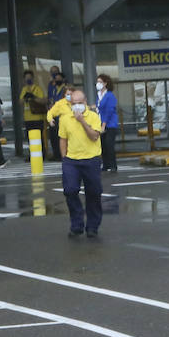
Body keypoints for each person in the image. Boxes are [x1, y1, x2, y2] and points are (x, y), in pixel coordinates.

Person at [49, 87, 104, 237]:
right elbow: (63, 139)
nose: (77, 106)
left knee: (93, 193)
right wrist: (64, 158)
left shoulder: (93, 116)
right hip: (71, 161)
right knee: (70, 190)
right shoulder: (65, 119)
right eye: (74, 103)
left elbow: (94, 136)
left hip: (91, 159)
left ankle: (92, 226)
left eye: (79, 102)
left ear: (85, 102)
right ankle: (77, 224)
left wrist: (82, 121)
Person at [18, 69, 47, 159]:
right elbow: (20, 102)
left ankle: (41, 155)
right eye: (27, 78)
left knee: (39, 138)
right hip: (28, 118)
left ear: (33, 78)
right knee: (30, 138)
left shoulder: (37, 88)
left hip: (37, 117)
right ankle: (33, 155)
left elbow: (43, 101)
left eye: (30, 78)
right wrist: (25, 97)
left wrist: (33, 97)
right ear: (24, 79)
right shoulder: (24, 89)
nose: (28, 80)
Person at [95, 73, 120, 173]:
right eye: (97, 82)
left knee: (109, 145)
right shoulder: (99, 95)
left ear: (105, 83)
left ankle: (113, 165)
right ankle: (105, 165)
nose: (98, 84)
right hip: (101, 123)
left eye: (100, 82)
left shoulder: (109, 96)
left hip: (110, 124)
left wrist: (104, 124)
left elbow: (109, 110)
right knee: (103, 145)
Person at [46, 67, 67, 159]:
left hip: (62, 115)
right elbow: (50, 99)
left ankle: (62, 154)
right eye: (56, 78)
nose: (57, 80)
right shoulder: (53, 88)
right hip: (54, 114)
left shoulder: (65, 89)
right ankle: (56, 154)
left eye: (59, 78)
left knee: (61, 136)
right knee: (53, 136)